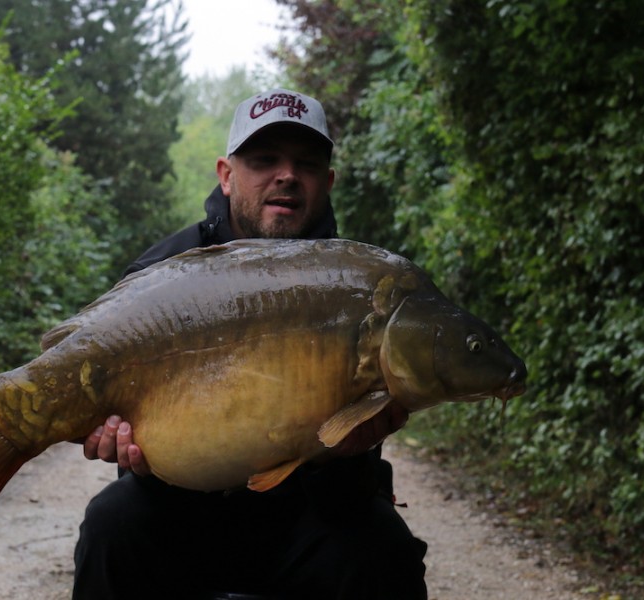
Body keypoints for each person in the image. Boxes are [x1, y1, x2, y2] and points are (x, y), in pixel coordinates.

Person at [72, 88, 428, 599]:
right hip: (182, 507)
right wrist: (108, 437)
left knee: (384, 550)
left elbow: (354, 471)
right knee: (111, 525)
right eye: (265, 159)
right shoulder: (159, 276)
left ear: (326, 183)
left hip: (315, 508)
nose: (287, 174)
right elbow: (116, 428)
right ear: (226, 173)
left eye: (306, 163)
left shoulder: (358, 279)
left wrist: (346, 452)